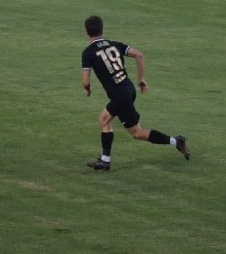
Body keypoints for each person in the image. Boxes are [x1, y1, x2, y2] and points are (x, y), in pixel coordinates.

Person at [80, 15, 190, 171]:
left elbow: (85, 81)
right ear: (102, 29)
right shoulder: (114, 44)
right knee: (104, 119)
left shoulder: (88, 52)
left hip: (120, 96)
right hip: (128, 88)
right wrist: (140, 79)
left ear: (86, 32)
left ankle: (175, 141)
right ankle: (105, 160)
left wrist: (87, 89)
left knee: (137, 133)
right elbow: (139, 54)